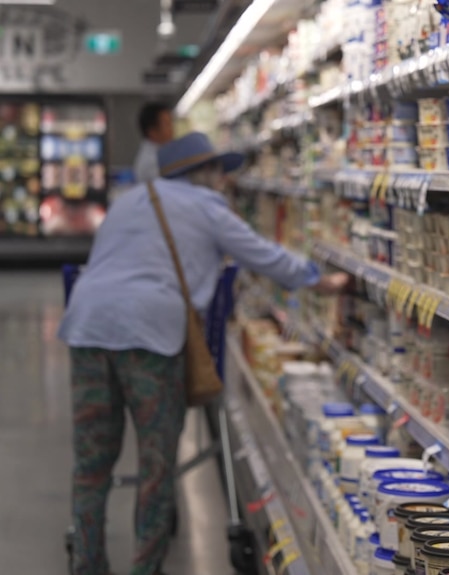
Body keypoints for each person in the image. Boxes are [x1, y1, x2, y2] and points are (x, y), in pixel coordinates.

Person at [58, 132, 348, 575]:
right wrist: (317, 279)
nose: (225, 181)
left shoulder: (129, 200)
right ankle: (145, 568)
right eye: (220, 171)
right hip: (150, 336)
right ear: (205, 174)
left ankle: (88, 565)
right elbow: (262, 255)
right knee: (157, 466)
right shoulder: (208, 207)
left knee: (91, 464)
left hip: (87, 326)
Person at [133, 103, 174, 183]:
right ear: (152, 132)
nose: (172, 130)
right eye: (167, 125)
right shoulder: (150, 163)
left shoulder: (161, 153)